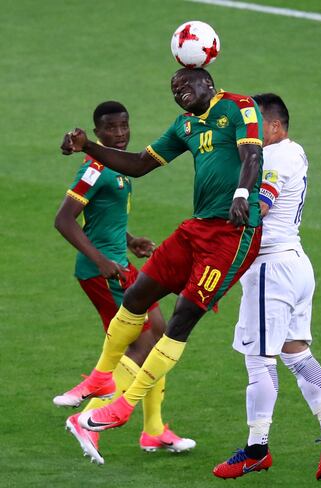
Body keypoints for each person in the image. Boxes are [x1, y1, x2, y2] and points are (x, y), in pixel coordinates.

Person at [56, 68, 263, 437]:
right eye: (173, 88)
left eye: (186, 84)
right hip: (195, 227)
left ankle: (126, 407)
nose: (179, 91)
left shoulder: (239, 107)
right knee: (137, 296)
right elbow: (138, 164)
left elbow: (251, 156)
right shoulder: (184, 126)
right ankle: (103, 379)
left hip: (231, 234)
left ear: (209, 83)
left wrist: (242, 194)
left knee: (179, 317)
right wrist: (87, 146)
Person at [213, 94, 321, 481]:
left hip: (270, 269)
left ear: (274, 126)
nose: (250, 131)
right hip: (295, 264)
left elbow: (261, 207)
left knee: (259, 360)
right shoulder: (297, 152)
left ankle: (257, 449)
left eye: (256, 124)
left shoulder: (273, 157)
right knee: (295, 352)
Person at [53, 100, 195, 465]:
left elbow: (104, 216)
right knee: (140, 346)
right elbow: (65, 219)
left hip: (121, 264)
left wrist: (130, 241)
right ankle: (87, 420)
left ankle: (154, 429)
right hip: (102, 274)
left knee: (161, 335)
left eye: (124, 126)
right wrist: (101, 260)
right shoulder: (94, 169)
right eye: (111, 129)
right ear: (97, 133)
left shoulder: (117, 168)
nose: (119, 134)